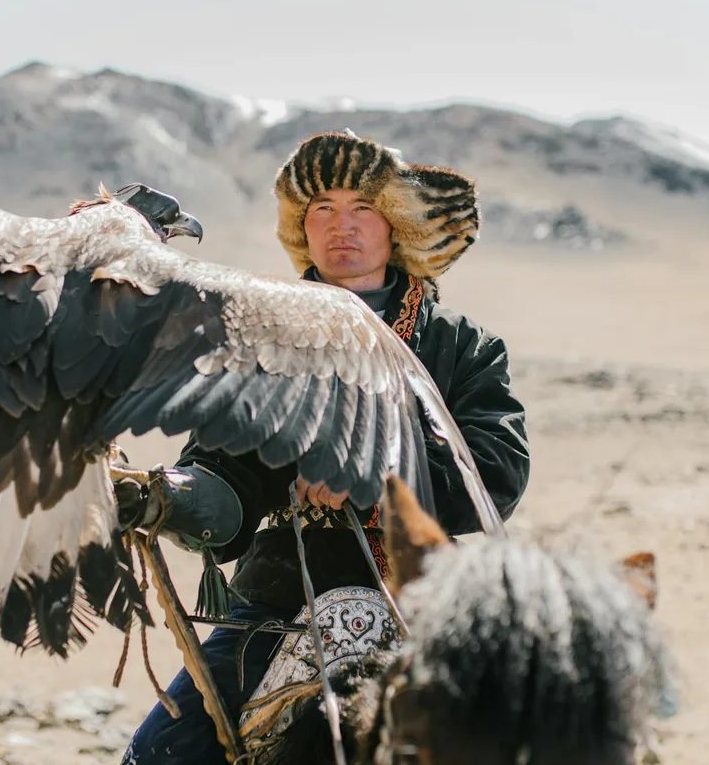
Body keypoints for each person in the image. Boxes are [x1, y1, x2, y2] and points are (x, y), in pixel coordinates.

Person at [118, 129, 531, 764]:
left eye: (362, 208)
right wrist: (162, 501)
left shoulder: (463, 347)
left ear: (392, 225)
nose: (343, 226)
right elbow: (222, 475)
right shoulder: (258, 343)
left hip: (424, 598)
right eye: (321, 210)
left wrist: (372, 472)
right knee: (159, 756)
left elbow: (498, 470)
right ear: (301, 230)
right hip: (277, 600)